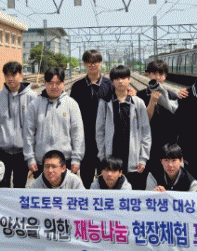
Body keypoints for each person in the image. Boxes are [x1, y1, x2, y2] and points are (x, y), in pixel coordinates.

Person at [96, 65, 151, 189]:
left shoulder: (138, 103)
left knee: (133, 192)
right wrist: (102, 156)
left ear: (129, 79)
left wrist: (143, 158)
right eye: (116, 78)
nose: (120, 81)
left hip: (132, 157)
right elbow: (99, 132)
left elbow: (146, 132)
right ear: (112, 81)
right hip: (111, 156)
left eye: (123, 78)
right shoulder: (105, 103)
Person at [24, 67, 84, 178]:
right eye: (50, 83)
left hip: (65, 161)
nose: (54, 87)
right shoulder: (35, 105)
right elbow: (28, 133)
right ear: (45, 83)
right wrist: (30, 158)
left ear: (63, 82)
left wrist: (76, 159)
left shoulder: (72, 104)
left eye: (58, 83)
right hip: (41, 162)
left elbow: (77, 133)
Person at [69, 49, 114, 188]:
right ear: (84, 64)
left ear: (101, 63)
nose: (92, 65)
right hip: (85, 138)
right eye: (88, 62)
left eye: (95, 62)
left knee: (105, 176)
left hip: (104, 138)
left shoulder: (110, 85)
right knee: (86, 176)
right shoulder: (77, 87)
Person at [0, 61, 38, 188]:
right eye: (7, 75)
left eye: (13, 75)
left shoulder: (32, 97)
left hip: (23, 151)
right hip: (2, 150)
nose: (10, 78)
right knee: (1, 185)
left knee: (20, 185)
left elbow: (36, 127)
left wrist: (33, 152)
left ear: (21, 75)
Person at [136, 59, 179, 179]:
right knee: (145, 177)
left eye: (161, 74)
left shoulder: (172, 96)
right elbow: (142, 121)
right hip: (146, 144)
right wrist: (152, 102)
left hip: (166, 143)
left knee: (163, 177)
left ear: (165, 76)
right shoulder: (140, 95)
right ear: (148, 75)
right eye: (154, 73)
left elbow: (176, 121)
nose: (158, 77)